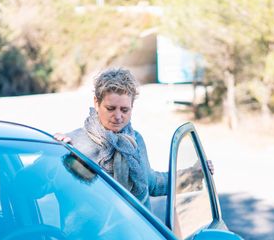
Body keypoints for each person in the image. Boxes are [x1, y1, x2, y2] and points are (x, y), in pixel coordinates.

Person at [55, 67, 213, 210]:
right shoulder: (73, 143)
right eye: (110, 108)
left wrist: (195, 173)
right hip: (91, 238)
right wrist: (53, 153)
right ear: (96, 103)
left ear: (132, 107)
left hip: (135, 235)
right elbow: (50, 186)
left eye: (124, 110)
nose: (118, 116)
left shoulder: (135, 140)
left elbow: (152, 183)